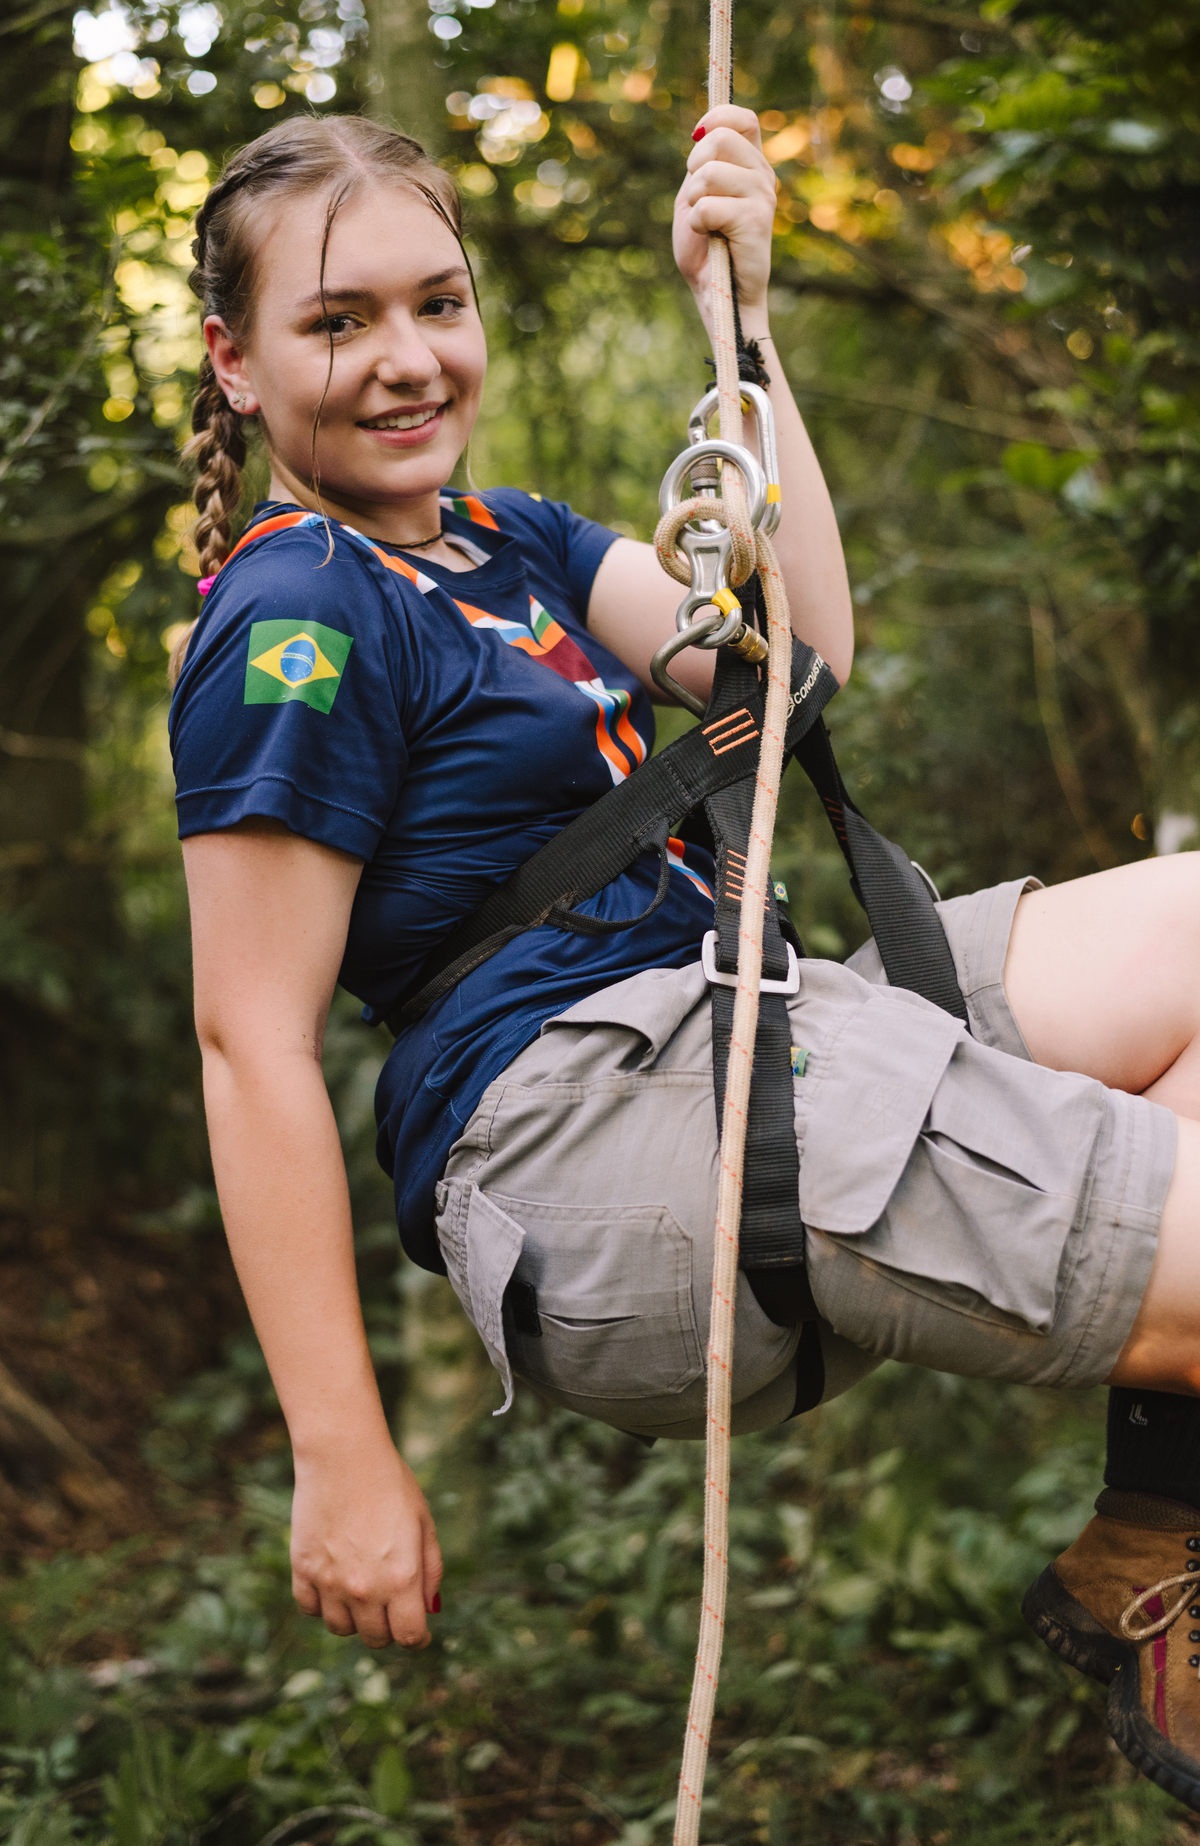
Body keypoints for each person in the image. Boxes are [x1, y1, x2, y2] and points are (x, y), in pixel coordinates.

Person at [169, 109, 1200, 1804]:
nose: (407, 359)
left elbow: (804, 659)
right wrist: (338, 1452)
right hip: (590, 1129)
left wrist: (748, 332)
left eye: (440, 301)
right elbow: (251, 1044)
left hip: (741, 1017)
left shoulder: (515, 541)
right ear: (236, 359)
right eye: (339, 321)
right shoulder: (301, 618)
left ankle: (1159, 1518)